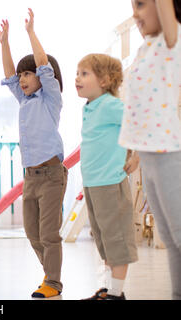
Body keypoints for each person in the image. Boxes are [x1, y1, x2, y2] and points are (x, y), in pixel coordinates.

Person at [0, 9, 67, 298]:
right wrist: (5, 42)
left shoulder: (51, 98)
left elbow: (43, 64)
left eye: (29, 74)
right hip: (30, 178)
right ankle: (49, 275)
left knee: (49, 234)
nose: (23, 79)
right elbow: (8, 73)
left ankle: (53, 282)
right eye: (21, 74)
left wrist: (30, 33)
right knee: (32, 233)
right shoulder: (23, 100)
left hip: (51, 176)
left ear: (42, 76)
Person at [119, 0, 181, 300]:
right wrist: (133, 153)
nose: (135, 12)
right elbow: (137, 108)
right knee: (169, 238)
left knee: (179, 235)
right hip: (148, 156)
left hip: (168, 155)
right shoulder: (143, 51)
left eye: (142, 4)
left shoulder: (171, 44)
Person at [76, 53, 139, 300]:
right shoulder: (90, 107)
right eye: (78, 73)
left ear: (105, 80)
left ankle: (116, 293)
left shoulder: (112, 105)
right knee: (103, 240)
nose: (77, 78)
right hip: (93, 183)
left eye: (84, 73)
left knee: (116, 240)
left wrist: (136, 157)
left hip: (111, 183)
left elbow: (137, 124)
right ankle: (110, 289)